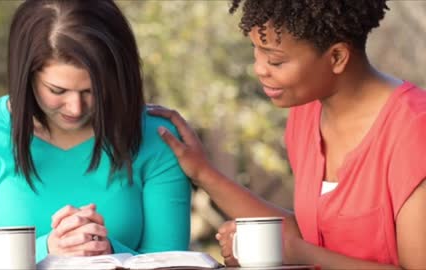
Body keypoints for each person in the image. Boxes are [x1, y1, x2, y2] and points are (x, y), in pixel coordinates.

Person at [148, 0, 426, 269]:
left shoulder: (414, 130)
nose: (259, 69)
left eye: (275, 61)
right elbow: (312, 234)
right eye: (255, 51)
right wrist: (202, 172)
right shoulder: (305, 114)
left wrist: (298, 253)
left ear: (337, 57)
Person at [0, 0, 191, 269]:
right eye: (57, 91)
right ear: (27, 76)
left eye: (91, 91)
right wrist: (48, 250)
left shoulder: (157, 137)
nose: (76, 108)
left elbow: (172, 262)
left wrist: (105, 250)